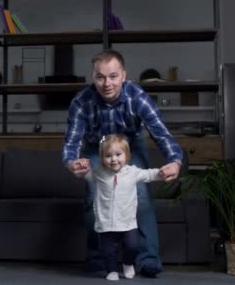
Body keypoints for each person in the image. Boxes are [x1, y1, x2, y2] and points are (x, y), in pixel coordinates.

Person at [62, 49, 182, 277]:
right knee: (92, 195)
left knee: (142, 197)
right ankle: (98, 259)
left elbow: (161, 133)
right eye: (100, 77)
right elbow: (72, 141)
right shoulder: (81, 101)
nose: (107, 83)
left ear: (124, 75)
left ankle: (147, 260)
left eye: (113, 76)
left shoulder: (137, 96)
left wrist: (174, 161)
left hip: (130, 146)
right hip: (97, 147)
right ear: (93, 77)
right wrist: (71, 162)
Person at [79, 134, 165, 281]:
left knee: (133, 245)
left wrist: (161, 173)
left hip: (128, 221)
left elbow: (149, 174)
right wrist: (82, 166)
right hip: (107, 222)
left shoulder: (132, 172)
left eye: (118, 154)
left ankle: (128, 263)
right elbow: (86, 175)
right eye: (108, 156)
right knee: (108, 250)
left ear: (127, 155)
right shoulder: (99, 173)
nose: (113, 159)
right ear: (102, 158)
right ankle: (111, 270)